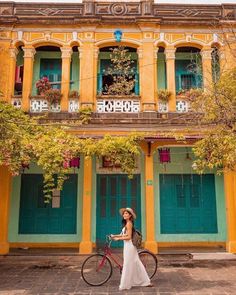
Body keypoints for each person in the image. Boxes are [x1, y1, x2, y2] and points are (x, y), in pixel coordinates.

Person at [111, 207, 152, 290]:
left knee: (128, 264)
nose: (124, 214)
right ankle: (144, 281)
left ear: (130, 215)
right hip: (127, 246)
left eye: (126, 213)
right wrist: (114, 236)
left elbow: (129, 237)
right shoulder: (126, 223)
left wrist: (118, 239)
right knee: (135, 262)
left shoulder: (129, 223)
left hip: (129, 246)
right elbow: (123, 234)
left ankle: (126, 284)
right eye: (124, 213)